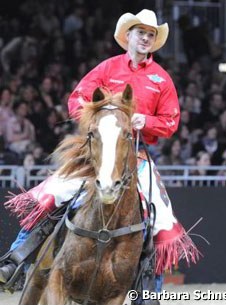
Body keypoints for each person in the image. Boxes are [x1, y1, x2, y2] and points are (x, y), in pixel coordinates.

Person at [0, 9, 199, 290]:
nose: (145, 38)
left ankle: (150, 291)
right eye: (141, 32)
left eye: (151, 34)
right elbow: (77, 99)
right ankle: (15, 260)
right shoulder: (107, 68)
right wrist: (99, 114)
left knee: (160, 217)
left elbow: (171, 122)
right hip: (96, 154)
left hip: (136, 156)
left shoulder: (161, 79)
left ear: (155, 41)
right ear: (128, 35)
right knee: (52, 193)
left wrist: (147, 121)